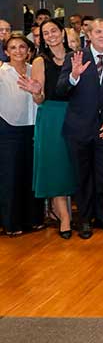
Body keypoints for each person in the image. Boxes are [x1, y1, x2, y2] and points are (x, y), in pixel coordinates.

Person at [57, 18, 103, 239]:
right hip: (78, 128)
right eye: (98, 31)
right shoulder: (74, 58)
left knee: (102, 175)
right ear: (88, 34)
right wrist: (74, 76)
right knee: (82, 176)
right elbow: (60, 91)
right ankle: (85, 220)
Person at [21, 21, 76, 238]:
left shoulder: (76, 56)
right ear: (41, 38)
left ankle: (65, 211)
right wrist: (35, 92)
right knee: (56, 166)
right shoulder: (39, 61)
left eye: (54, 30)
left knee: (73, 165)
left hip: (77, 115)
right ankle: (65, 219)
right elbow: (40, 98)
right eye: (46, 33)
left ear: (63, 32)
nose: (51, 35)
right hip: (52, 116)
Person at [1, 36, 42, 235]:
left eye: (22, 47)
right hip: (9, 128)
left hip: (33, 127)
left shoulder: (34, 70)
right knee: (11, 177)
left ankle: (32, 220)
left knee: (31, 175)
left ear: (29, 50)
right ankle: (11, 223)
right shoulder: (2, 72)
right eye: (13, 48)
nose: (18, 51)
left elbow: (41, 98)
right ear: (7, 52)